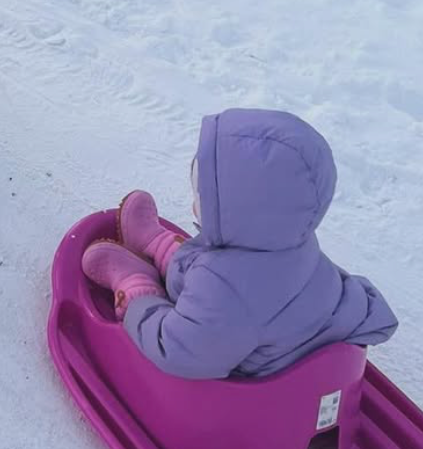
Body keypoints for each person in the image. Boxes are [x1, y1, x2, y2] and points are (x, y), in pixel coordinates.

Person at [81, 109, 398, 378]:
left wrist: (140, 302)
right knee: (217, 259)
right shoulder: (293, 241)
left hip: (235, 375)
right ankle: (162, 249)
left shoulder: (225, 291)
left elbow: (178, 349)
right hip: (247, 323)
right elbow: (359, 307)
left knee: (212, 279)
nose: (193, 205)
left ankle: (140, 282)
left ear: (242, 209)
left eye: (204, 198)